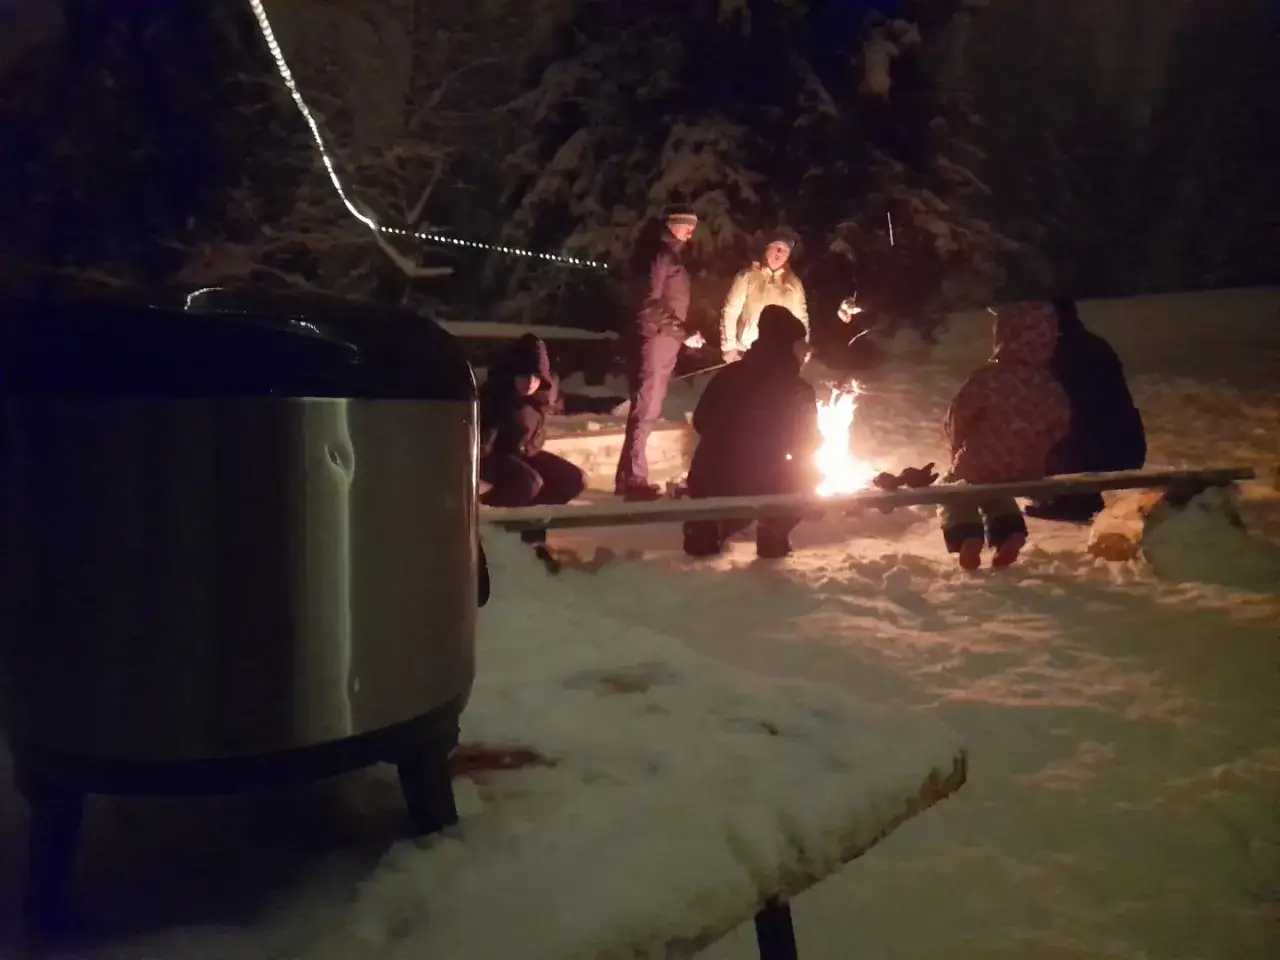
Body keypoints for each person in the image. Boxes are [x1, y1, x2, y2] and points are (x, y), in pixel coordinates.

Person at [682, 306, 819, 560]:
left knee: (737, 485)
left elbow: (701, 420)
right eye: (799, 345)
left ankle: (715, 526)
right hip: (760, 480)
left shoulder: (728, 375)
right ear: (786, 347)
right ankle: (773, 530)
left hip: (708, 477)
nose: (804, 352)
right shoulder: (797, 390)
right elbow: (807, 444)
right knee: (808, 474)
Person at [942, 302, 1071, 570]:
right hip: (1028, 468)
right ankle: (1009, 533)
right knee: (998, 494)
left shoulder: (988, 378)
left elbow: (959, 415)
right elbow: (1060, 423)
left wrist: (957, 446)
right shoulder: (1048, 383)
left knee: (955, 490)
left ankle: (968, 537)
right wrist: (1040, 449)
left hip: (981, 461)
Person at [1026, 298, 1147, 523]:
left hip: (1091, 453)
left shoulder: (1053, 353)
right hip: (1128, 445)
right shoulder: (1094, 344)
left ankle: (1074, 499)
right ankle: (1073, 495)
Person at [614, 206, 706, 501]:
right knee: (646, 410)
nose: (691, 232)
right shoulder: (659, 254)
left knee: (647, 409)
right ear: (672, 224)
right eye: (687, 226)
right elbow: (647, 303)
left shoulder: (667, 254)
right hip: (655, 340)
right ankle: (635, 480)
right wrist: (682, 331)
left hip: (662, 341)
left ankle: (627, 478)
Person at [478, 333, 586, 548]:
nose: (529, 383)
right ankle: (487, 524)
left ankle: (530, 527)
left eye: (535, 378)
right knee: (528, 482)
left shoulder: (543, 397)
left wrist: (608, 404)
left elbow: (569, 403)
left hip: (527, 453)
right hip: (493, 455)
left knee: (572, 479)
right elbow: (482, 437)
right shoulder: (496, 396)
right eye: (523, 376)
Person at [719, 236, 810, 363]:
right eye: (776, 247)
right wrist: (729, 346)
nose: (779, 252)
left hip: (779, 353)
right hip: (746, 350)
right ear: (767, 248)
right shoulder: (747, 275)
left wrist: (802, 348)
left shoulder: (794, 284)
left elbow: (801, 317)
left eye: (784, 250)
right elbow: (731, 311)